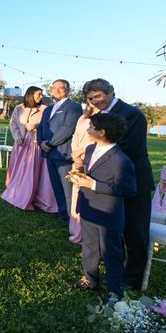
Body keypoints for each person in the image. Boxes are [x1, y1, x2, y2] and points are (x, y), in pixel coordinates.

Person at [82, 78, 155, 291]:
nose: (96, 101)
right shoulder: (97, 116)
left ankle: (132, 278)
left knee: (134, 230)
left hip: (133, 182)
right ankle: (115, 269)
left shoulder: (133, 114)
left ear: (111, 91)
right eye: (90, 98)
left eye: (98, 96)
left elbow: (126, 148)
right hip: (104, 183)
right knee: (113, 229)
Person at [71, 113, 137, 304]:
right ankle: (90, 280)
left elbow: (128, 189)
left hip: (108, 214)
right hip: (88, 207)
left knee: (111, 252)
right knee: (89, 246)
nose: (88, 129)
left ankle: (114, 291)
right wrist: (79, 174)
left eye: (91, 127)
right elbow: (90, 171)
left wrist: (93, 185)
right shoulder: (91, 148)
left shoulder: (121, 160)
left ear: (102, 132)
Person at [1, 86, 57, 212]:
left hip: (35, 143)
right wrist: (17, 137)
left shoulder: (44, 109)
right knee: (19, 168)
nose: (41, 97)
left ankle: (35, 195)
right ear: (30, 95)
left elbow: (48, 125)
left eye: (41, 94)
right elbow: (13, 124)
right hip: (21, 144)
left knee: (33, 169)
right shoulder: (19, 108)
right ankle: (18, 191)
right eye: (39, 94)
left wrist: (36, 128)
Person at [37, 79, 82, 223]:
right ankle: (63, 213)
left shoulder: (74, 107)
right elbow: (40, 127)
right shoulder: (48, 108)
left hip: (63, 153)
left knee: (68, 189)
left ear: (67, 90)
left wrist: (50, 143)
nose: (56, 90)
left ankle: (72, 218)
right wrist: (41, 143)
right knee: (56, 186)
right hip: (49, 153)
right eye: (54, 88)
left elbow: (68, 128)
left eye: (60, 88)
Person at [68, 100, 100, 244]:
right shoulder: (83, 117)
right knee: (77, 193)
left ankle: (89, 233)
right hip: (77, 158)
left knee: (89, 193)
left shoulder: (104, 116)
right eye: (90, 97)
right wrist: (76, 154)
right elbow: (75, 136)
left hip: (93, 157)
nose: (93, 100)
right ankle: (76, 231)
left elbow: (98, 139)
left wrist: (81, 151)